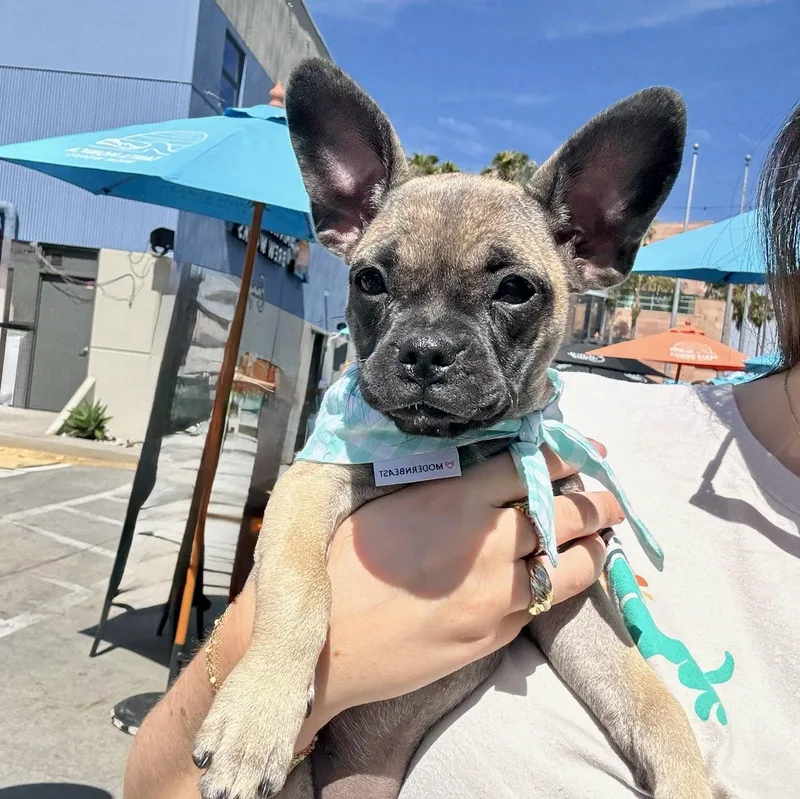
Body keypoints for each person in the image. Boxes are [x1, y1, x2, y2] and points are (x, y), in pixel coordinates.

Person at [124, 103, 800, 798]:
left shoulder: (546, 460)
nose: (426, 343)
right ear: (342, 222)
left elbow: (578, 619)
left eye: (509, 292)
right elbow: (305, 497)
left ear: (589, 244)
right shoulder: (354, 439)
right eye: (378, 284)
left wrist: (680, 771)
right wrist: (274, 655)